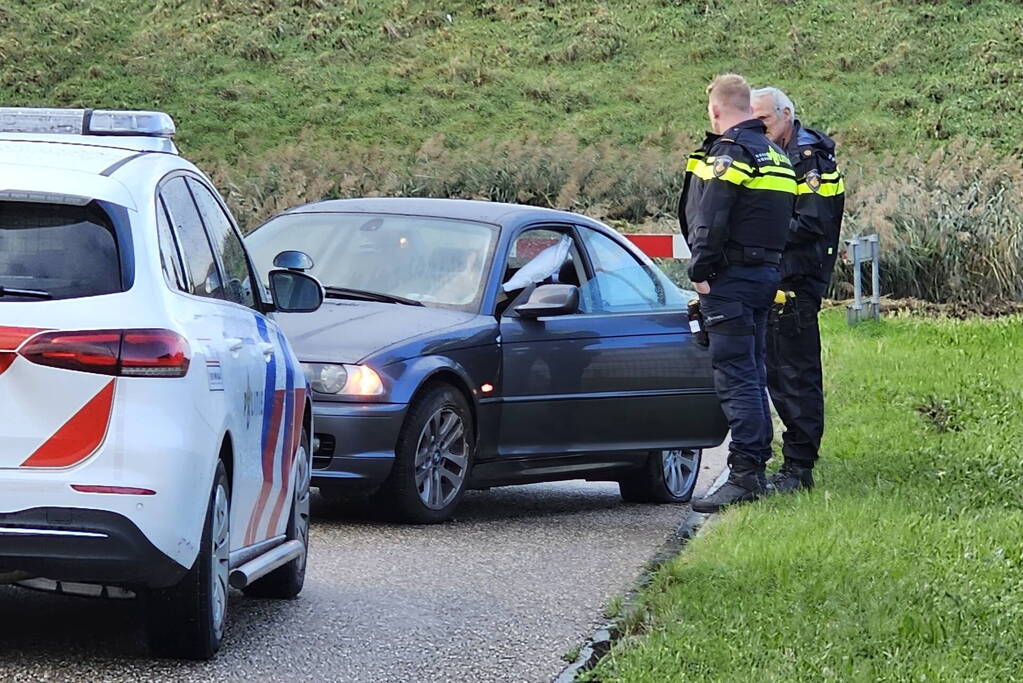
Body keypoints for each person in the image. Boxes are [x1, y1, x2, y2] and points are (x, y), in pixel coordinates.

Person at [679, 74, 797, 513]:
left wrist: (700, 271)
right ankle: (756, 468)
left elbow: (712, 216)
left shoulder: (731, 153)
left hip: (729, 279)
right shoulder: (777, 156)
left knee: (736, 375)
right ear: (749, 106)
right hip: (764, 274)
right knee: (754, 370)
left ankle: (745, 474)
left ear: (715, 110)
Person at [751, 87, 845, 493]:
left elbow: (812, 222)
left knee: (795, 375)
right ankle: (790, 461)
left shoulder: (808, 158)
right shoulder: (779, 152)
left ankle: (799, 468)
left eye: (766, 121)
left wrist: (755, 235)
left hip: (797, 282)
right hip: (781, 278)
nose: (761, 129)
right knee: (778, 372)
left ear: (787, 114)